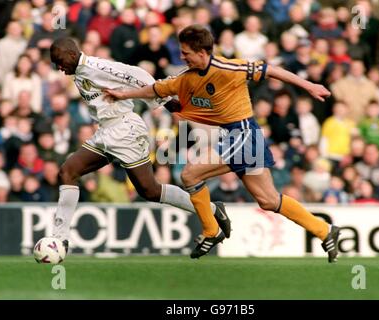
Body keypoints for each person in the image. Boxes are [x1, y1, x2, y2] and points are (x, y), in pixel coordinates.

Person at [104, 25, 341, 263]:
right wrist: (123, 95)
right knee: (269, 200)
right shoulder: (185, 79)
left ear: (202, 52)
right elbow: (156, 89)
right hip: (240, 137)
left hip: (244, 134)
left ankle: (211, 230)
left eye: (186, 52)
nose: (182, 56)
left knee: (190, 175)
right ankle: (324, 230)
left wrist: (309, 86)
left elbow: (272, 70)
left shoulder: (228, 68)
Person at [49, 37, 230, 254]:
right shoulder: (78, 72)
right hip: (106, 131)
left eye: (60, 62)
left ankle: (211, 209)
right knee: (67, 172)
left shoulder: (96, 67)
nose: (59, 68)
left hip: (125, 130)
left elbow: (134, 74)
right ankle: (60, 239)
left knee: (150, 190)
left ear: (71, 55)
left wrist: (164, 101)